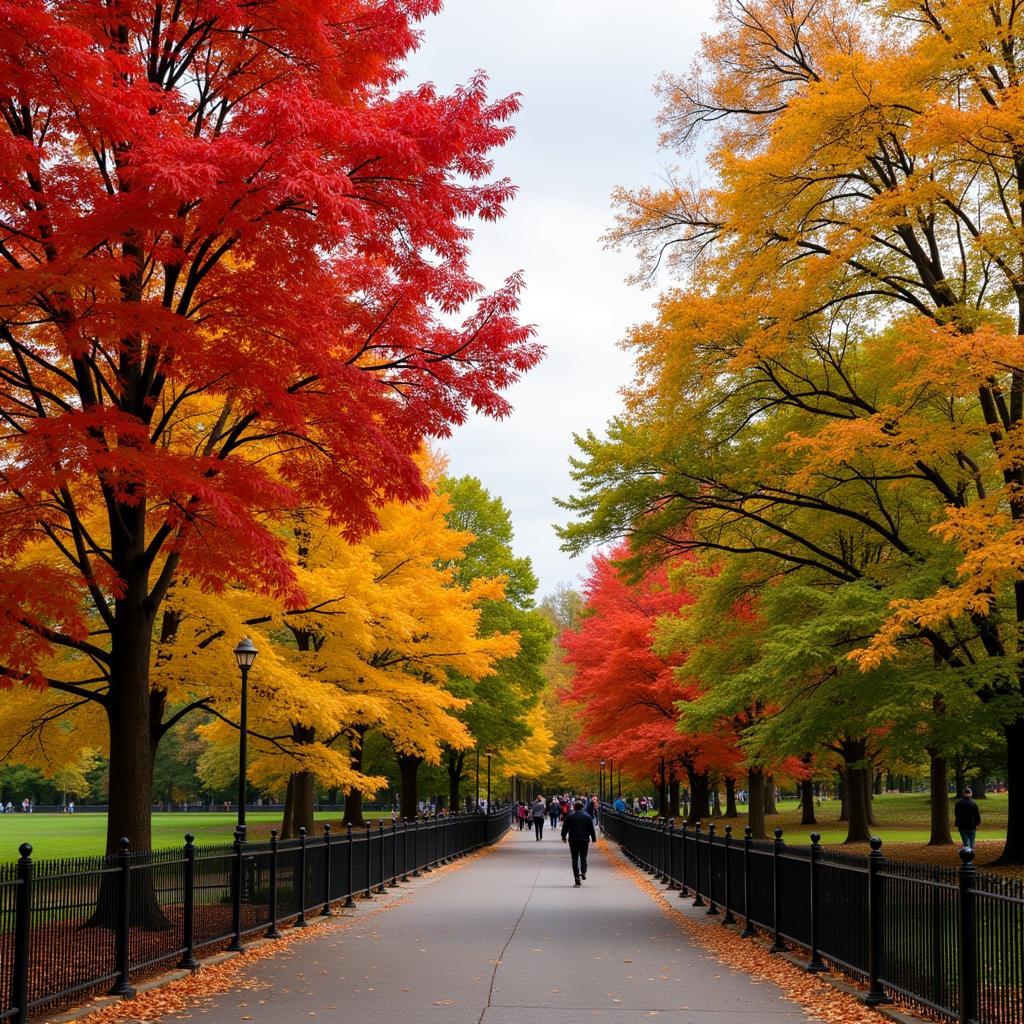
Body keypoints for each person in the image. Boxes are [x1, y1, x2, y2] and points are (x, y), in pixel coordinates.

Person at [561, 799, 597, 886]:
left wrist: (563, 836)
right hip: (584, 839)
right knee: (583, 857)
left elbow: (565, 828)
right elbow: (591, 829)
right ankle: (583, 872)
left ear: (574, 807)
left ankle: (576, 878)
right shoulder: (587, 816)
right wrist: (593, 838)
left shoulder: (570, 816)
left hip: (573, 840)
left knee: (574, 859)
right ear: (583, 807)